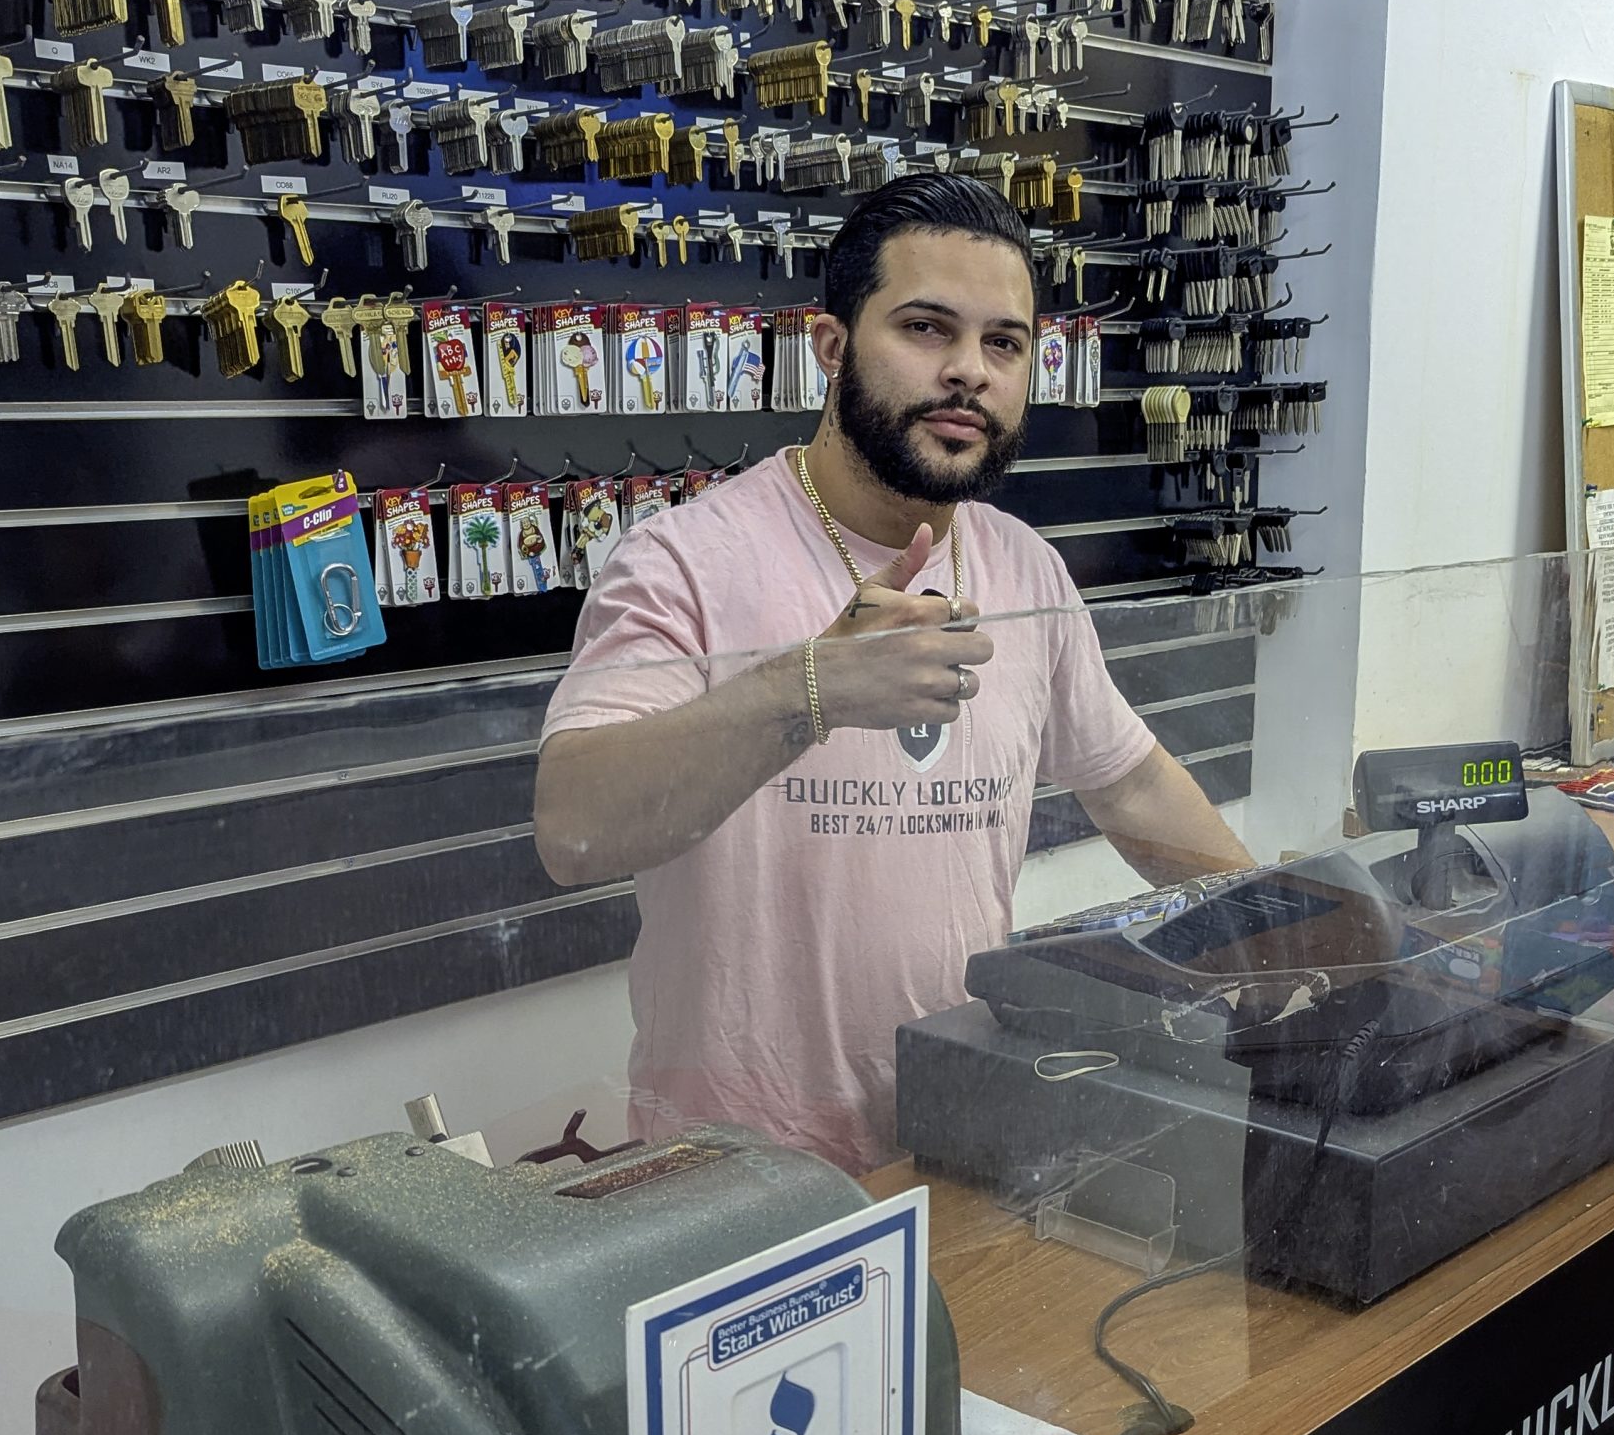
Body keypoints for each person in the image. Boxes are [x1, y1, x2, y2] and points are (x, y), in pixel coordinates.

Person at [533, 173, 1251, 1173]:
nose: (969, 371)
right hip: (737, 1169)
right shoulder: (685, 561)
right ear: (831, 348)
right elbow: (573, 827)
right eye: (925, 328)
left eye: (1003, 343)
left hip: (963, 1128)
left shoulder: (1021, 564)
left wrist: (1278, 931)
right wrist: (810, 688)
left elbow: (1125, 778)